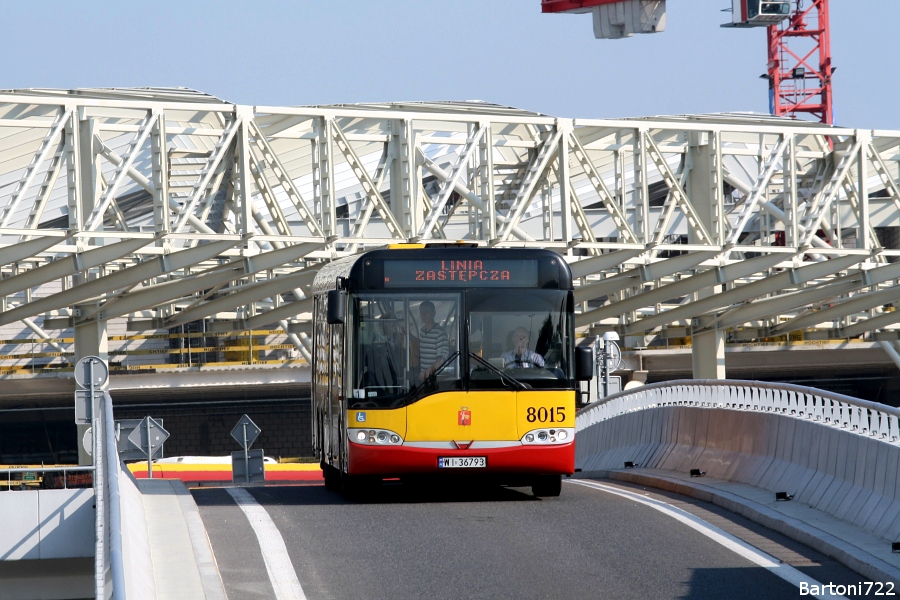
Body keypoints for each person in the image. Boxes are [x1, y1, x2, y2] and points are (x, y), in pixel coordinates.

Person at [417, 300, 449, 381]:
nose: (424, 315)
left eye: (427, 312)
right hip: (424, 379)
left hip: (435, 380)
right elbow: (422, 344)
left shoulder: (440, 333)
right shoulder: (422, 331)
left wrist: (427, 372)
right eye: (421, 312)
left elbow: (441, 359)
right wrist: (408, 336)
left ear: (434, 313)